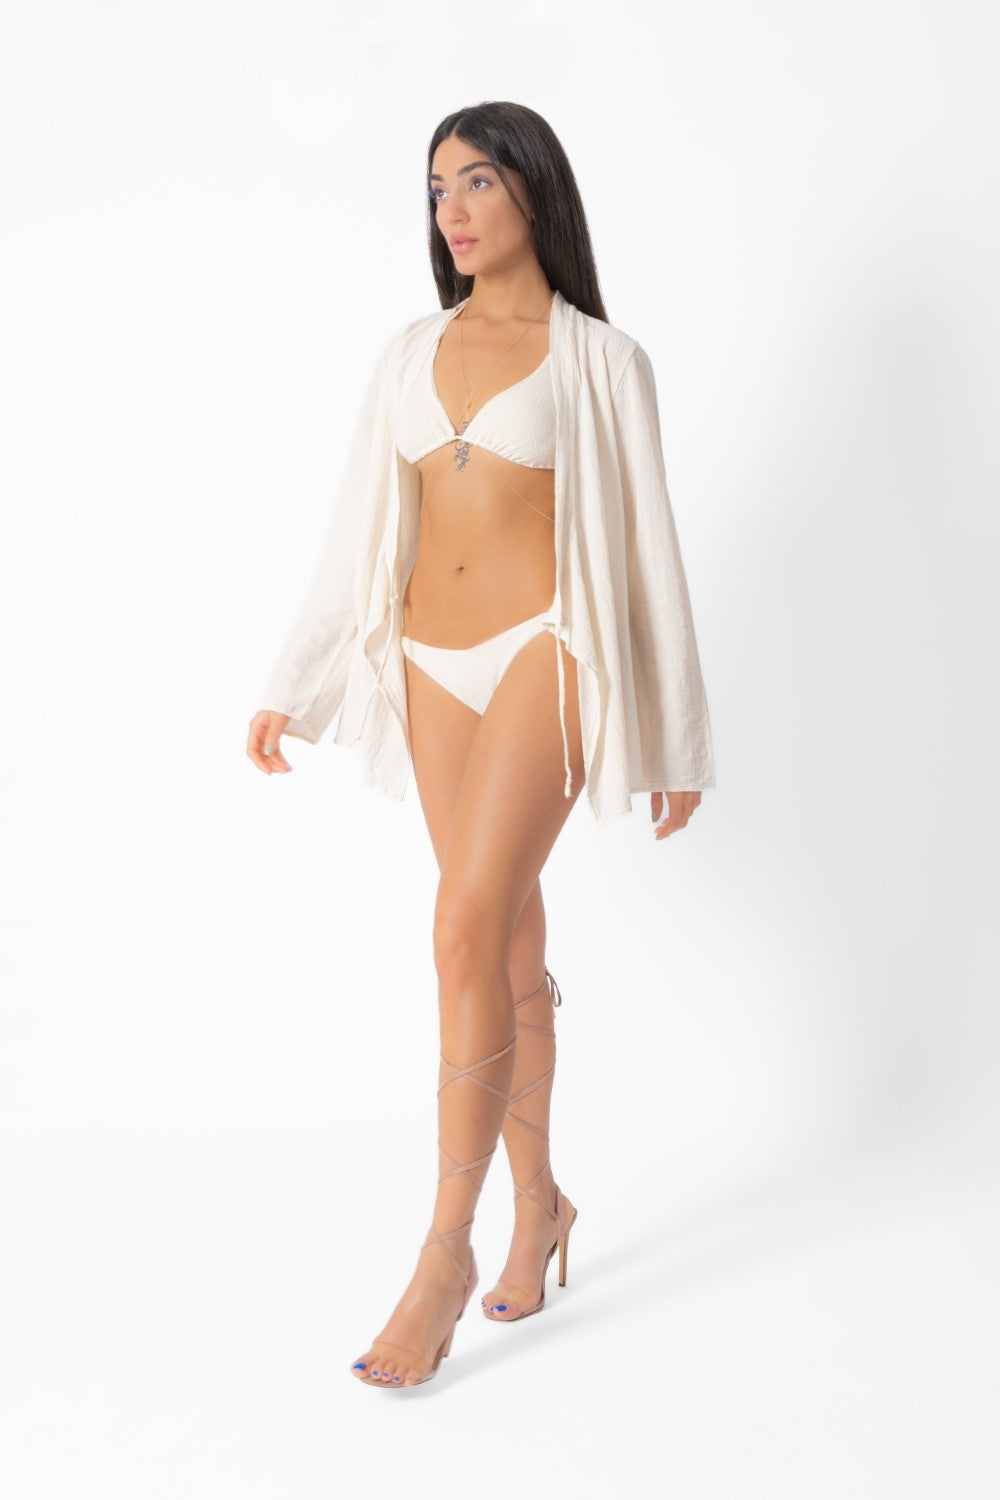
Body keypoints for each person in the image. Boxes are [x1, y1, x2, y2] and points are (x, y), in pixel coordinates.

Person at [246, 101, 716, 1389]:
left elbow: (649, 549)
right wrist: (294, 683)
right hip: (426, 661)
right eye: (437, 188)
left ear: (534, 194)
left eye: (479, 184)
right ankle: (538, 1207)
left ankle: (442, 1252)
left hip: (543, 648)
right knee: (502, 937)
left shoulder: (600, 361)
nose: (452, 211)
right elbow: (358, 524)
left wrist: (677, 732)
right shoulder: (409, 350)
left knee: (459, 924)